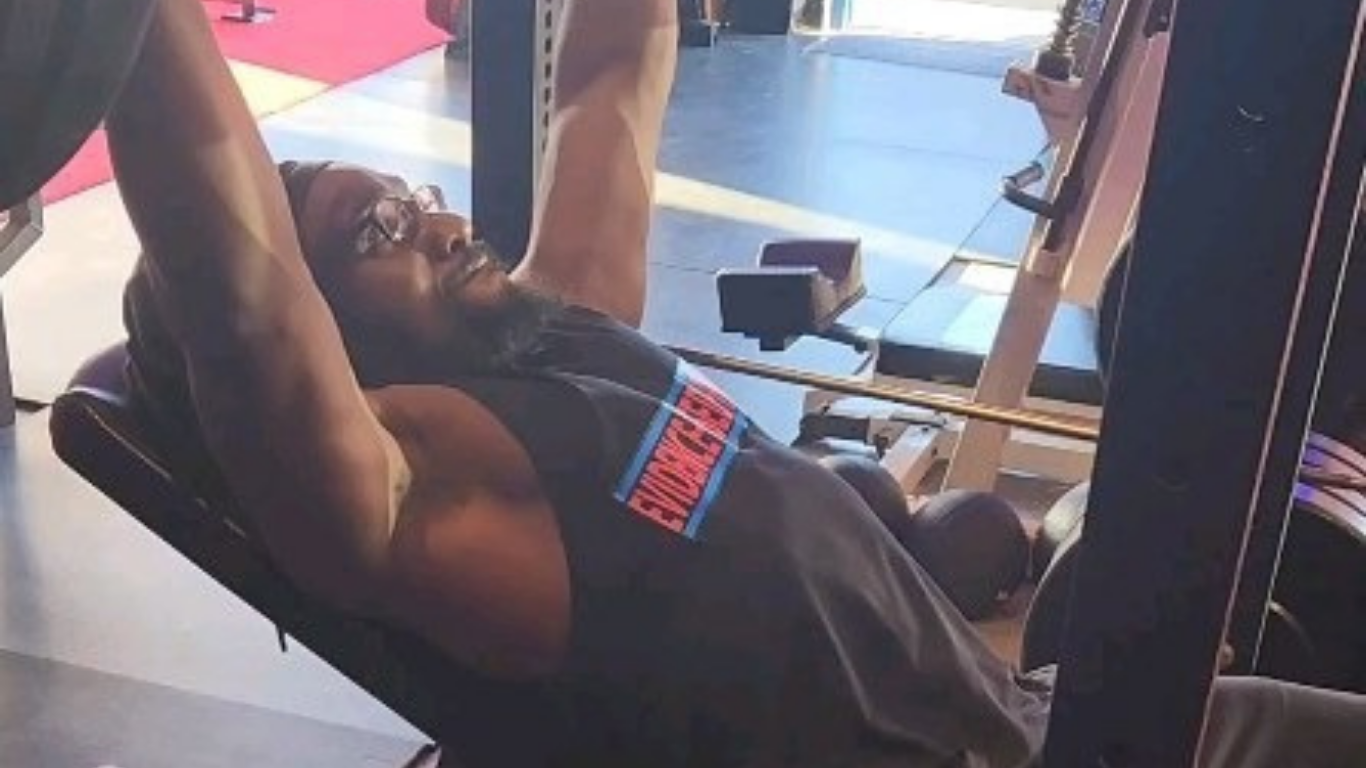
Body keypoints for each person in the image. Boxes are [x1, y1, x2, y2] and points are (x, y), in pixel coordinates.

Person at [106, 0, 1366, 766]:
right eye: (379, 236)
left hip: (1042, 720)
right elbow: (238, 291)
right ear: (325, 348)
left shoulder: (565, 330)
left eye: (415, 198)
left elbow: (611, 75)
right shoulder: (425, 501)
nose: (437, 222)